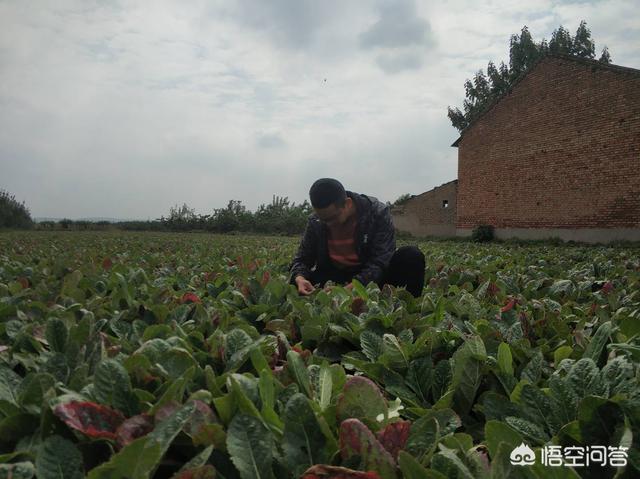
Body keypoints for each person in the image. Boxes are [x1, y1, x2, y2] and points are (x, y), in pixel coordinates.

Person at [290, 178, 425, 297]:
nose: (326, 224)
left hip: (371, 279)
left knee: (411, 256)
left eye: (332, 219)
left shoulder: (377, 213)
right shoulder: (316, 221)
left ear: (347, 204)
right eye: (322, 219)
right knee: (295, 282)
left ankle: (409, 313)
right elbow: (302, 259)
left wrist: (350, 289)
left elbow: (380, 262)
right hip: (334, 275)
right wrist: (300, 278)